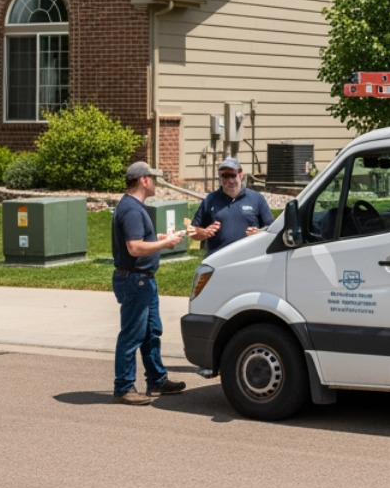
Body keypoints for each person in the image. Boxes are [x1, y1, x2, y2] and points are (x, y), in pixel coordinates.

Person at [111, 161, 186, 405]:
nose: (154, 182)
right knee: (132, 335)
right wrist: (165, 244)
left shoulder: (133, 206)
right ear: (144, 180)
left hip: (143, 281)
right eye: (152, 178)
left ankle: (157, 379)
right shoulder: (132, 209)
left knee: (152, 332)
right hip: (135, 281)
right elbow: (134, 247)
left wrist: (158, 238)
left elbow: (139, 240)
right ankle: (124, 387)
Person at [188, 156, 273, 255]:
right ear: (220, 178)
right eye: (225, 176)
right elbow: (193, 232)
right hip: (218, 259)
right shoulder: (210, 200)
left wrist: (258, 234)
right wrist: (204, 232)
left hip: (249, 258)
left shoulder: (257, 198)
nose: (230, 180)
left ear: (241, 175)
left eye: (233, 175)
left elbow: (271, 230)